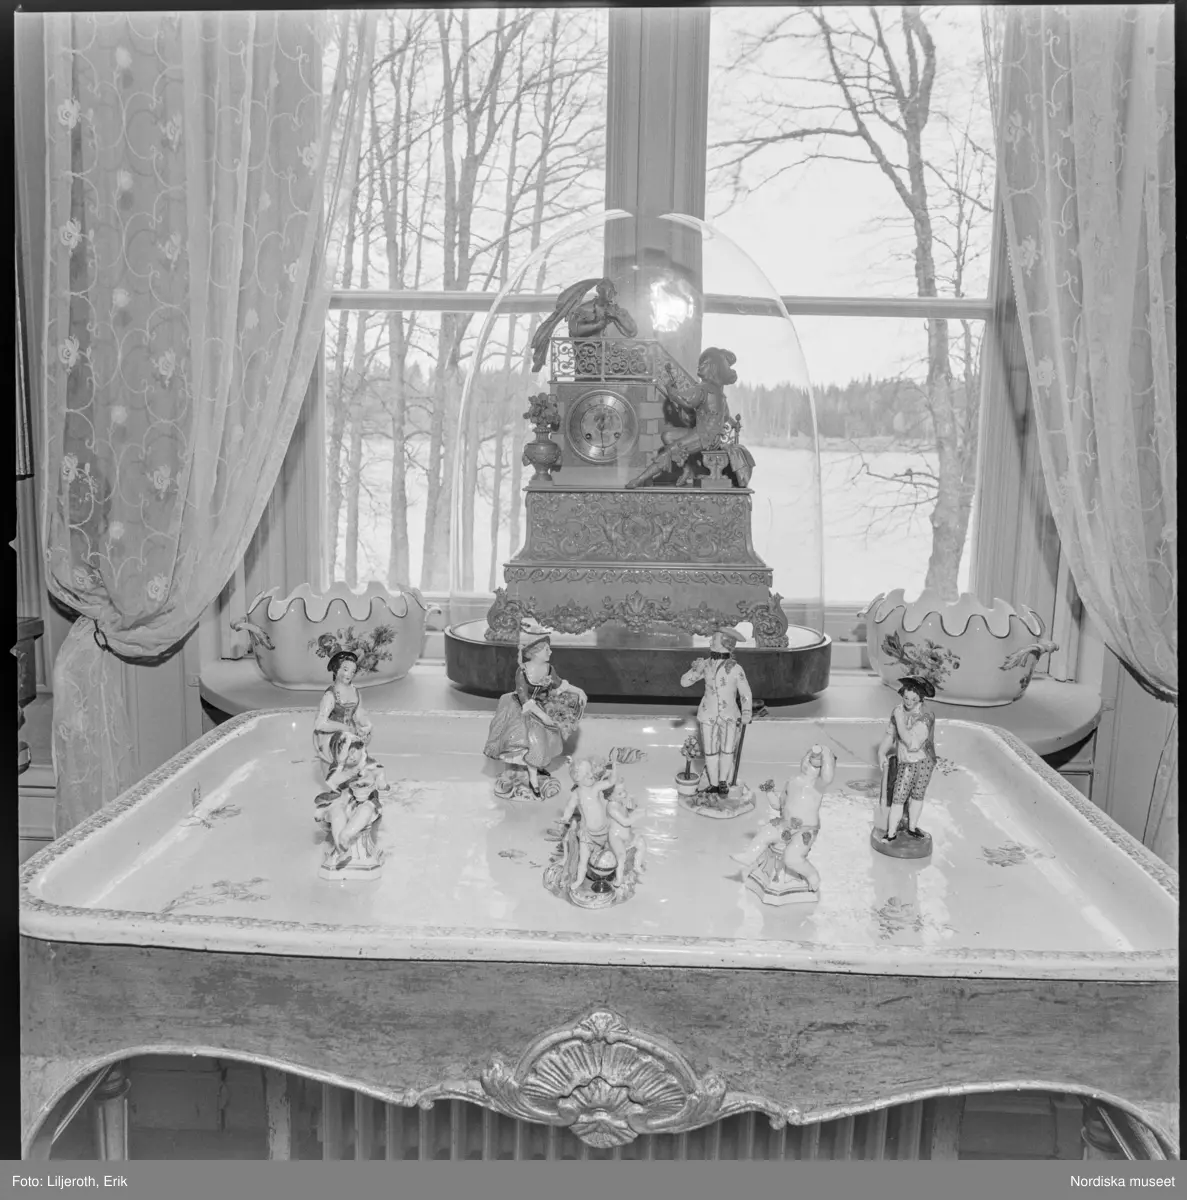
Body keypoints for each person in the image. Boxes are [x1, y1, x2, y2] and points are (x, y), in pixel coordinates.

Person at [483, 621, 587, 798]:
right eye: (547, 649)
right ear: (535, 652)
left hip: (542, 703)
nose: (550, 652)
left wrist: (579, 691)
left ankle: (537, 768)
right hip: (523, 707)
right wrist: (543, 716)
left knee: (550, 736)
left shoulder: (548, 669)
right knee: (533, 739)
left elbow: (559, 684)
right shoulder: (522, 672)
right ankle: (530, 778)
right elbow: (524, 699)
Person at [626, 347, 755, 489]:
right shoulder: (719, 393)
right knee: (668, 436)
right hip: (706, 434)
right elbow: (724, 417)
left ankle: (639, 480)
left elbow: (685, 400)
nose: (699, 367)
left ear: (712, 368)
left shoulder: (703, 388)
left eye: (703, 364)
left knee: (671, 450)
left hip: (704, 436)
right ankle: (688, 469)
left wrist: (670, 389)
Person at [733, 745, 835, 893]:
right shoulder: (792, 781)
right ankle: (749, 856)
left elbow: (828, 776)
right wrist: (769, 792)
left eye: (816, 765)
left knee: (792, 858)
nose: (809, 763)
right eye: (807, 757)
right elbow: (778, 805)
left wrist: (825, 752)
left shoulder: (817, 785)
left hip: (805, 831)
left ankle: (812, 875)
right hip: (784, 825)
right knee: (766, 832)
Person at [680, 627, 753, 797]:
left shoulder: (736, 669)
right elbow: (684, 682)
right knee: (710, 751)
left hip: (729, 716)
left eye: (714, 638)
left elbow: (745, 693)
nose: (710, 641)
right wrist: (696, 671)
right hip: (708, 715)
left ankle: (723, 782)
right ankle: (712, 783)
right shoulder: (705, 665)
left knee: (728, 750)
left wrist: (746, 713)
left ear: (725, 642)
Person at [312, 650, 388, 790]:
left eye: (353, 671)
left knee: (358, 742)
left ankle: (362, 771)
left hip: (351, 733)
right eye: (346, 669)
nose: (349, 674)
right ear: (336, 670)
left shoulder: (355, 692)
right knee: (347, 741)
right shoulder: (331, 695)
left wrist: (366, 725)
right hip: (332, 735)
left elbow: (359, 713)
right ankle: (336, 776)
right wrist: (344, 728)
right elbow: (320, 724)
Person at [529, 277, 638, 373]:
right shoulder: (583, 309)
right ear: (599, 290)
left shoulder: (614, 309)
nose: (612, 295)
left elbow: (632, 332)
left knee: (635, 360)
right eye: (609, 291)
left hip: (606, 357)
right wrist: (598, 325)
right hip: (587, 357)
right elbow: (574, 330)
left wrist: (618, 317)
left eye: (613, 292)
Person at [314, 730, 383, 878]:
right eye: (345, 753)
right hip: (344, 801)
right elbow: (332, 782)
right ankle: (342, 849)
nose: (350, 756)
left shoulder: (368, 764)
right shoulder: (340, 768)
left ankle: (346, 836)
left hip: (366, 802)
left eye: (353, 751)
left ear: (361, 748)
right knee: (336, 812)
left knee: (365, 811)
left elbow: (377, 778)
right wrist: (341, 763)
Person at [877, 676, 938, 841]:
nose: (908, 702)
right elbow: (891, 734)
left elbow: (912, 744)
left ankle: (912, 828)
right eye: (906, 698)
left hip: (924, 761)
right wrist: (881, 752)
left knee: (918, 795)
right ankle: (891, 833)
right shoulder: (898, 711)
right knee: (899, 796)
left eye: (913, 699)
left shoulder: (925, 716)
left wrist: (899, 719)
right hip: (907, 762)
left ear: (920, 699)